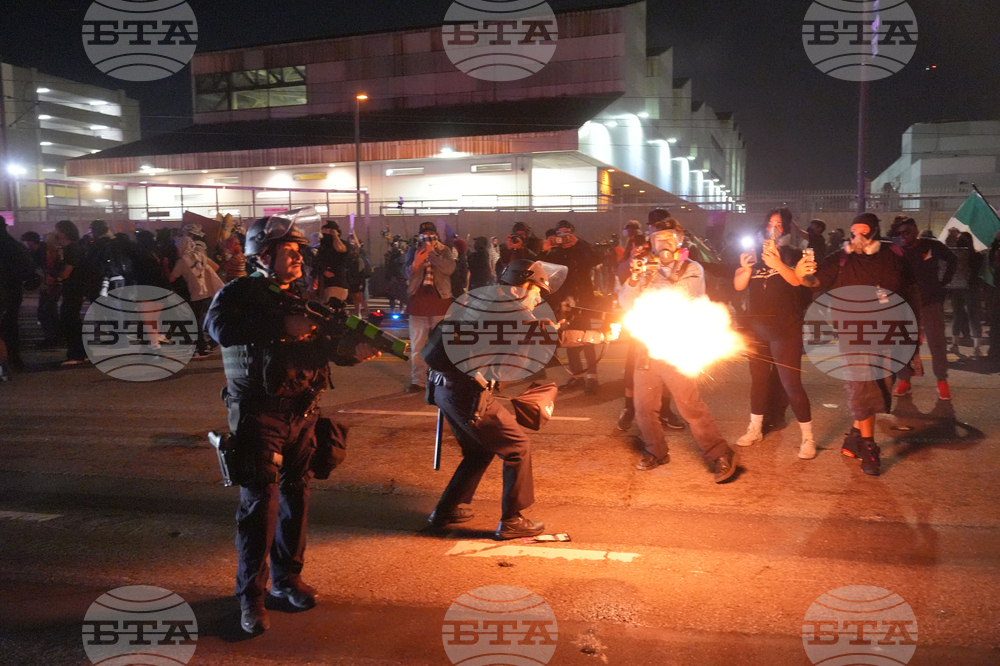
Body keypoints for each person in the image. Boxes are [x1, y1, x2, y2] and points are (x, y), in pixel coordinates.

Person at [205, 209, 380, 635]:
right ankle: (251, 596)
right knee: (259, 506)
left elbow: (324, 346)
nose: (298, 257)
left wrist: (352, 351)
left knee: (296, 496)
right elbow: (218, 328)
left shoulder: (303, 297)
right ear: (263, 254)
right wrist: (281, 325)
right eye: (289, 249)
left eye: (300, 250)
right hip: (259, 413)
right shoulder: (238, 293)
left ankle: (287, 579)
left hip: (304, 412)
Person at [424, 258, 561, 539]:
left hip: (444, 388)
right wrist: (599, 334)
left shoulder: (487, 299)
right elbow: (547, 337)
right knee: (518, 447)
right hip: (467, 392)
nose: (537, 298)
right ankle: (512, 520)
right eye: (537, 291)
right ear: (524, 284)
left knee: (479, 450)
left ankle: (445, 510)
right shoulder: (514, 310)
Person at [618, 220, 740, 483]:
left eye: (670, 237)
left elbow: (682, 295)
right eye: (658, 237)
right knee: (643, 406)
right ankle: (655, 450)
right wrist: (636, 276)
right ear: (650, 241)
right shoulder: (644, 267)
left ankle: (719, 453)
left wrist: (656, 272)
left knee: (690, 406)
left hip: (676, 345)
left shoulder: (691, 267)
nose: (664, 243)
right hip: (647, 347)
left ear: (680, 240)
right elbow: (626, 302)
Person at [803, 213, 917, 476]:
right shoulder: (841, 257)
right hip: (852, 334)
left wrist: (914, 330)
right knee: (862, 389)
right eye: (853, 231)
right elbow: (814, 281)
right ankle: (869, 447)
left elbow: (910, 293)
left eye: (863, 232)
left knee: (877, 387)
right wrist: (802, 272)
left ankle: (854, 437)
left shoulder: (893, 256)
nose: (857, 237)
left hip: (886, 333)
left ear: (875, 233)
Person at [733, 209, 817, 459]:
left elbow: (798, 281)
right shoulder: (754, 257)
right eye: (770, 223)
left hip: (786, 330)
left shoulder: (796, 254)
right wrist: (746, 269)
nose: (773, 228)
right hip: (757, 329)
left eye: (779, 225)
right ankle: (755, 428)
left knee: (791, 384)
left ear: (787, 229)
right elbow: (738, 284)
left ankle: (808, 438)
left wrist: (778, 263)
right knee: (758, 380)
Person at [888, 216, 956, 400]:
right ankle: (905, 380)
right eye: (899, 233)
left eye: (906, 232)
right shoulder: (896, 251)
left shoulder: (931, 245)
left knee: (937, 342)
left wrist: (943, 283)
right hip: (905, 305)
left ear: (916, 230)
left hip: (929, 302)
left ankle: (942, 381)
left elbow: (953, 260)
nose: (902, 236)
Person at [540, 220, 601, 393]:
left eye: (566, 233)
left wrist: (578, 243)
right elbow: (539, 268)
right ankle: (577, 376)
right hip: (564, 302)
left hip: (584, 301)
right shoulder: (555, 253)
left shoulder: (581, 248)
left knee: (588, 338)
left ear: (572, 233)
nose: (563, 237)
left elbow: (595, 260)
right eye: (559, 233)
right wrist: (544, 249)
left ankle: (592, 376)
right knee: (569, 339)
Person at [404, 221, 455, 392]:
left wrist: (432, 253)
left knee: (441, 344)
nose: (427, 239)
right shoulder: (413, 250)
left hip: (440, 303)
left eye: (430, 235)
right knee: (418, 345)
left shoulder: (444, 250)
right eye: (424, 235)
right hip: (418, 304)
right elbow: (406, 273)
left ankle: (442, 380)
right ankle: (419, 380)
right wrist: (416, 263)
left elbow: (449, 268)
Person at [170, 236, 223, 358]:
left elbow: (172, 278)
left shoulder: (182, 261)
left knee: (196, 322)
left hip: (195, 294)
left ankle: (202, 347)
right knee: (204, 320)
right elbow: (215, 267)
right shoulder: (201, 256)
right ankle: (212, 342)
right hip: (208, 293)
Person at [53, 220, 89, 366]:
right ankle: (80, 352)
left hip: (73, 289)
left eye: (58, 230)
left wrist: (58, 279)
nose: (56, 233)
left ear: (64, 232)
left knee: (69, 320)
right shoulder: (76, 247)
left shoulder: (71, 248)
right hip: (76, 288)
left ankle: (76, 354)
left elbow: (68, 270)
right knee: (72, 320)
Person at [0, 219, 33, 372]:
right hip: (12, 290)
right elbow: (28, 268)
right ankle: (13, 358)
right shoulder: (14, 245)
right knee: (10, 325)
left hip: (6, 289)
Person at [947, 232, 984, 356]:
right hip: (965, 287)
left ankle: (968, 346)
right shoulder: (970, 255)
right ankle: (964, 345)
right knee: (965, 315)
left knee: (966, 315)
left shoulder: (969, 255)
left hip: (965, 287)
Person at [312, 220, 349, 305]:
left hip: (336, 284)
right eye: (323, 230)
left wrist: (335, 235)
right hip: (323, 284)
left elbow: (340, 248)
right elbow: (317, 262)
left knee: (332, 308)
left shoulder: (342, 243)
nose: (324, 232)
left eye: (327, 229)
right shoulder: (323, 246)